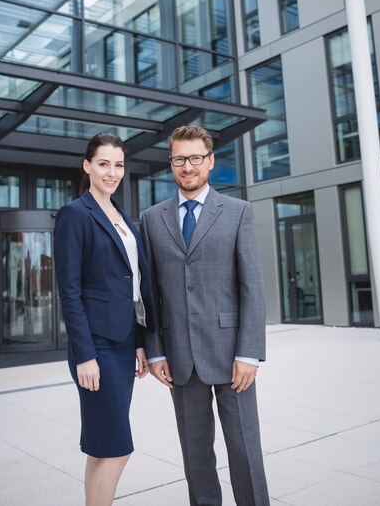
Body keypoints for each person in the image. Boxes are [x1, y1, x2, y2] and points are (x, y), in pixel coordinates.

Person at [141, 125, 269, 506]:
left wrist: (249, 354)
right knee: (196, 458)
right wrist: (155, 350)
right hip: (180, 357)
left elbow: (253, 287)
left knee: (245, 451)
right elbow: (151, 294)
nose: (188, 166)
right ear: (171, 164)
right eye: (180, 159)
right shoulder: (151, 218)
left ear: (210, 161)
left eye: (195, 158)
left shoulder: (237, 212)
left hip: (233, 356)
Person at [54, 132, 154, 506]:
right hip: (96, 347)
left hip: (124, 341)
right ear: (87, 166)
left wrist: (141, 343)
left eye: (118, 165)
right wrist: (85, 355)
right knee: (117, 448)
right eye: (103, 164)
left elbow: (134, 287)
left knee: (101, 447)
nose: (112, 172)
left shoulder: (125, 219)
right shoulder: (75, 215)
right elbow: (70, 291)